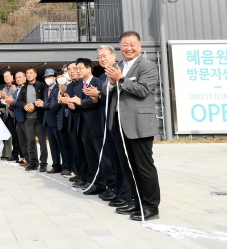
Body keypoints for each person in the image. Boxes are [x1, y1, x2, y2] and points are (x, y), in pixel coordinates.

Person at [103, 31, 161, 221]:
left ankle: (151, 207)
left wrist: (121, 79)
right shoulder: (117, 65)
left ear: (139, 46)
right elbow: (106, 89)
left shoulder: (147, 66)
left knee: (144, 167)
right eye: (124, 44)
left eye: (132, 44)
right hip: (118, 125)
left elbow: (144, 90)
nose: (128, 48)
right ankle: (137, 203)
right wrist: (112, 83)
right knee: (128, 166)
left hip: (139, 124)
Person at [86, 45, 132, 208]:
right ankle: (118, 191)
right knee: (112, 160)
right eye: (99, 57)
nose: (102, 59)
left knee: (121, 160)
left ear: (113, 55)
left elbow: (119, 93)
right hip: (107, 122)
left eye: (104, 56)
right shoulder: (102, 76)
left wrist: (98, 94)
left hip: (119, 121)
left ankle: (127, 194)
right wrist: (95, 96)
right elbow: (102, 97)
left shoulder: (118, 70)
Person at [69, 58, 115, 196]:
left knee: (103, 157)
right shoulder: (79, 86)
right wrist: (73, 105)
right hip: (82, 125)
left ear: (89, 69)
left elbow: (99, 101)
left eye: (80, 68)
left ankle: (112, 186)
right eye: (76, 68)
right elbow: (79, 104)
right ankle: (97, 183)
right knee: (91, 157)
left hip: (97, 124)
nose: (77, 71)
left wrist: (81, 102)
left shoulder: (98, 82)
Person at [16, 67, 46, 171]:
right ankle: (33, 163)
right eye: (27, 73)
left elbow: (45, 99)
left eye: (30, 73)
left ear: (35, 74)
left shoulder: (41, 86)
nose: (28, 75)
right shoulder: (24, 87)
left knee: (42, 142)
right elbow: (19, 101)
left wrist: (34, 105)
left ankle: (43, 164)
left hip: (39, 118)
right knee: (30, 142)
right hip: (28, 118)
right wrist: (24, 106)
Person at [40, 68, 64, 174]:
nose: (47, 79)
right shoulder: (46, 90)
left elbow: (55, 105)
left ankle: (65, 165)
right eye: (46, 77)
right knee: (53, 145)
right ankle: (56, 165)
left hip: (56, 119)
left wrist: (43, 105)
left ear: (54, 77)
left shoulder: (58, 88)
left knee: (61, 144)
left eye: (49, 77)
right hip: (48, 121)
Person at [0, 70, 21, 162]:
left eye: (8, 76)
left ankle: (20, 154)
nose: (6, 78)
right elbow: (3, 104)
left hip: (16, 114)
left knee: (18, 136)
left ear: (12, 77)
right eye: (5, 77)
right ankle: (14, 154)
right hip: (8, 115)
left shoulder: (16, 87)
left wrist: (5, 97)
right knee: (12, 135)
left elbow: (14, 99)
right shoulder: (4, 89)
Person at [7, 71, 28, 167]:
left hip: (26, 118)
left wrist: (13, 102)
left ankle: (32, 160)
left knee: (28, 141)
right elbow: (14, 106)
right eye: (17, 77)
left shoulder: (27, 89)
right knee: (21, 141)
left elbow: (21, 102)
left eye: (20, 77)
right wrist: (9, 103)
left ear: (25, 78)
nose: (18, 79)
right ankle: (26, 159)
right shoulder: (16, 91)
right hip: (17, 119)